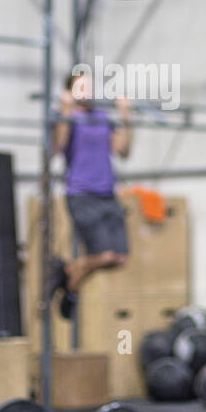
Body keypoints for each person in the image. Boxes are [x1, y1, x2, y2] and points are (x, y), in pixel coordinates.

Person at [48, 68, 132, 317]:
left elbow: (123, 151)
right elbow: (58, 147)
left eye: (90, 86)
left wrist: (126, 116)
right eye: (82, 87)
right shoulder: (68, 118)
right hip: (81, 193)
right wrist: (65, 111)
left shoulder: (104, 118)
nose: (89, 91)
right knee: (105, 254)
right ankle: (71, 277)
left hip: (107, 193)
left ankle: (71, 274)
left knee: (120, 257)